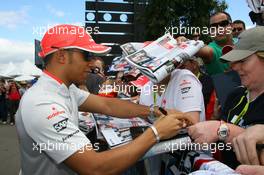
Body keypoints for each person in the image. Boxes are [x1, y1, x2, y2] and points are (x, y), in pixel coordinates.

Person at [15, 24, 188, 175]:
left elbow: (108, 105)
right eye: (86, 55)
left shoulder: (65, 89)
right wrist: (156, 133)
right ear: (62, 56)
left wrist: (152, 111)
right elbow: (95, 168)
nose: (92, 63)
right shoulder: (42, 103)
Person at [186, 26, 264, 169]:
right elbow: (217, 140)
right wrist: (215, 120)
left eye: (243, 60)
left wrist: (223, 130)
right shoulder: (234, 95)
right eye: (234, 61)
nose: (234, 67)